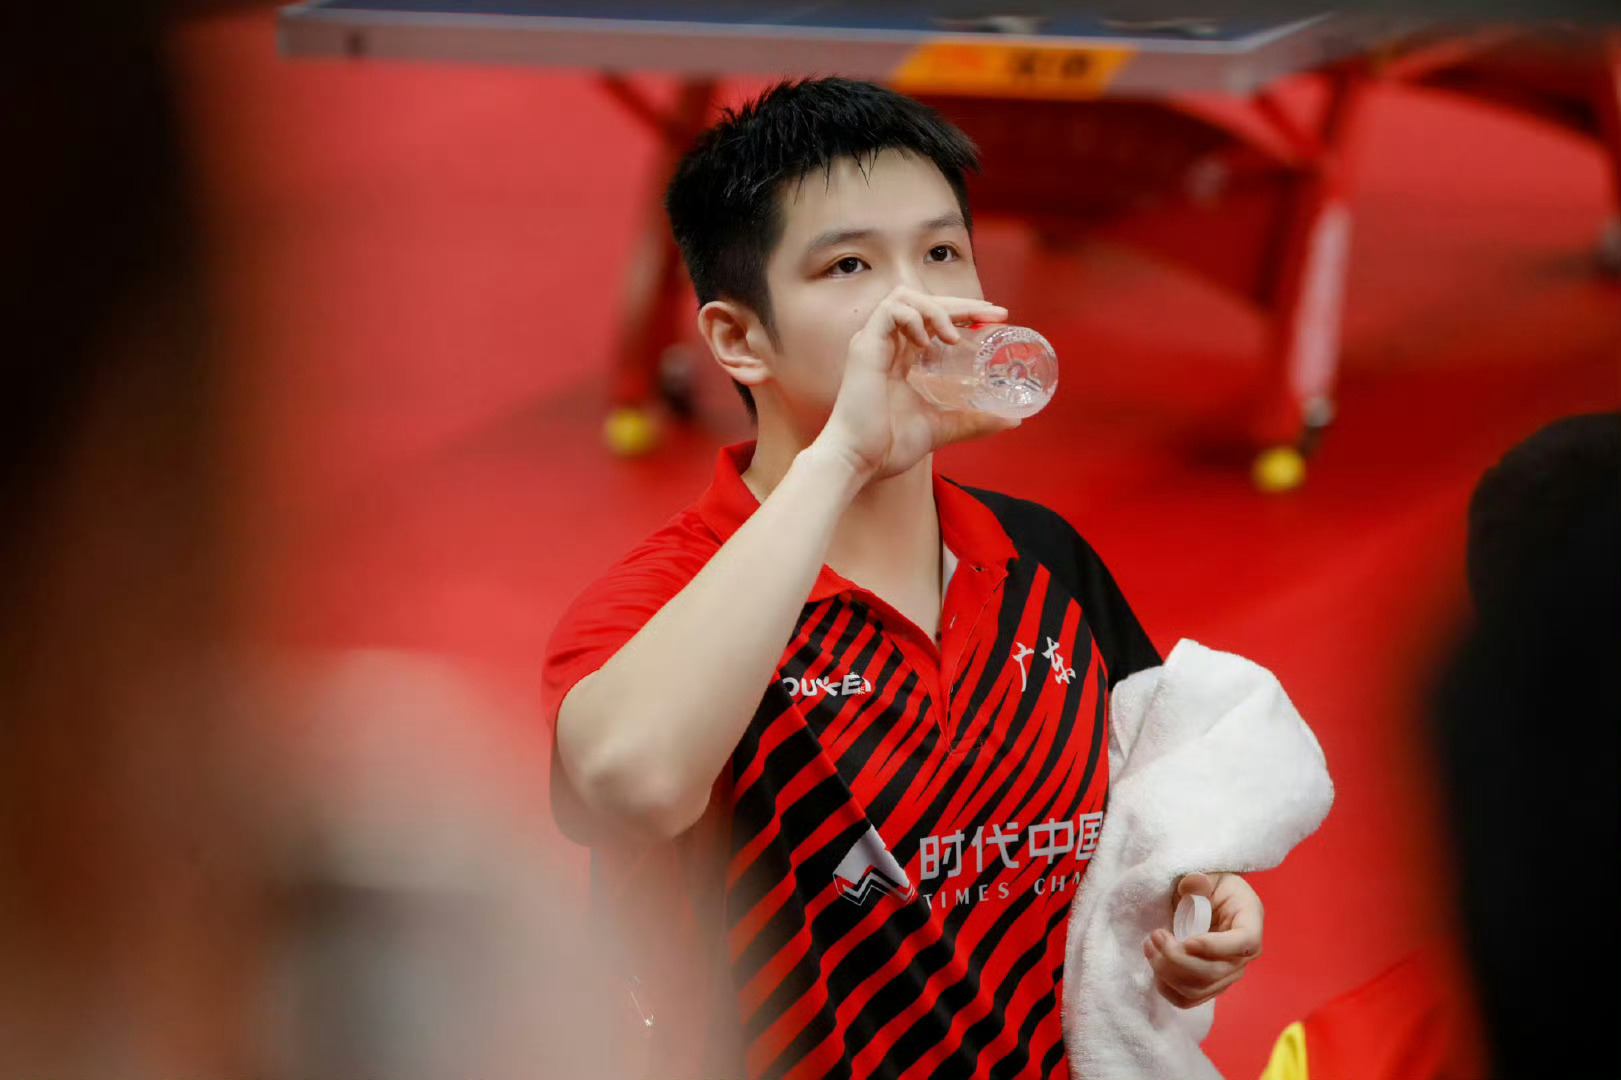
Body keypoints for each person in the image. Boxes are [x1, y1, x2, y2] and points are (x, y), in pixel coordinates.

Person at [542, 77, 1264, 1080]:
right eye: (849, 265)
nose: (915, 304)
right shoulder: (663, 604)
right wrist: (843, 456)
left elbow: (1155, 803)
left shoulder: (1044, 562)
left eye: (939, 253)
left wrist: (1203, 893)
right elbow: (634, 786)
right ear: (738, 340)